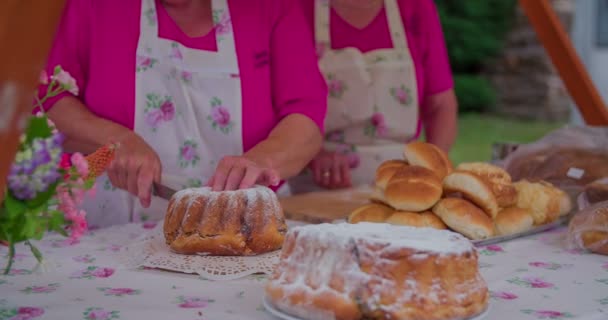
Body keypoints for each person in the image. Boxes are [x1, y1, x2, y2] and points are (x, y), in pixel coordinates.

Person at [39, 0, 327, 228]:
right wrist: (116, 140)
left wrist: (262, 160)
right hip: (114, 231)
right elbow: (49, 100)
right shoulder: (91, 5)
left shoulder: (271, 6)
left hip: (243, 230)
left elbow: (306, 115)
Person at [289, 0, 457, 193]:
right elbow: (279, 108)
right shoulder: (297, 8)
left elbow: (441, 105)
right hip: (316, 189)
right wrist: (311, 154)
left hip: (402, 184)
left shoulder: (415, 7)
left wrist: (431, 170)